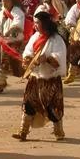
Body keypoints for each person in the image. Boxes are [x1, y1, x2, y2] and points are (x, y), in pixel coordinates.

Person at [13, 11, 66, 141]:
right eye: (35, 23)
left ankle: (58, 131)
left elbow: (58, 58)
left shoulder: (56, 39)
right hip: (35, 78)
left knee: (52, 107)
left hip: (50, 80)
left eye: (38, 23)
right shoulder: (35, 37)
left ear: (45, 24)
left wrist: (47, 59)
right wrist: (28, 59)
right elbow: (28, 52)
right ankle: (23, 131)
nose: (35, 26)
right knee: (29, 103)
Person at [0, 0, 25, 94]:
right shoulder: (1, 13)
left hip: (15, 41)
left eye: (6, 1)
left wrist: (10, 31)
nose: (4, 3)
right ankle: (2, 83)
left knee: (17, 64)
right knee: (3, 61)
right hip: (4, 41)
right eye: (2, 1)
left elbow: (18, 25)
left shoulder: (18, 12)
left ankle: (31, 78)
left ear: (11, 1)